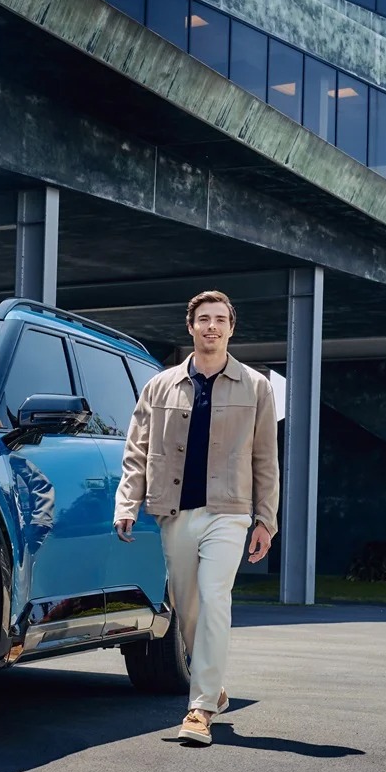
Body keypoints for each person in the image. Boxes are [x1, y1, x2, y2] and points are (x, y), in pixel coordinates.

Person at [113, 290, 280, 746]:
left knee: (214, 598)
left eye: (220, 319)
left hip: (230, 512)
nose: (211, 327)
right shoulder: (160, 385)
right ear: (190, 327)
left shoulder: (256, 387)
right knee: (187, 609)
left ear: (231, 327)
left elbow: (266, 458)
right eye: (203, 319)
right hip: (176, 512)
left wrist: (265, 519)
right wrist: (127, 502)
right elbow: (136, 451)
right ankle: (214, 686)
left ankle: (200, 709)